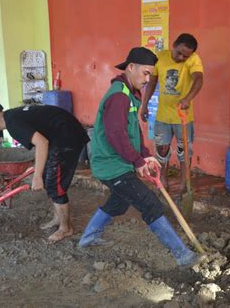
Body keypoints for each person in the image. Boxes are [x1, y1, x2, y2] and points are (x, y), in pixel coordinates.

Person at [79, 47, 202, 268]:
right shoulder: (119, 96)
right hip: (111, 165)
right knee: (150, 204)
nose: (148, 79)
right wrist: (137, 162)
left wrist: (145, 155)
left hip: (118, 162)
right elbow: (115, 134)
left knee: (118, 202)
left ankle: (88, 238)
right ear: (131, 67)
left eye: (150, 74)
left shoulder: (128, 94)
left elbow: (132, 130)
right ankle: (183, 255)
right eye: (145, 73)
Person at [0, 101, 89, 242]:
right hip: (61, 135)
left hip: (67, 138)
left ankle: (66, 229)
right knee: (49, 179)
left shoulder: (13, 124)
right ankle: (58, 218)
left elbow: (41, 143)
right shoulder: (11, 117)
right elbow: (41, 141)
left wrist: (37, 175)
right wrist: (39, 168)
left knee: (55, 186)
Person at [141, 33, 204, 192]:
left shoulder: (194, 59)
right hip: (163, 116)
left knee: (185, 152)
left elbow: (198, 79)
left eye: (185, 56)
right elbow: (152, 83)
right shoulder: (161, 57)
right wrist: (144, 105)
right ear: (174, 45)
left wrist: (188, 99)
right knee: (162, 150)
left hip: (184, 117)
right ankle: (162, 180)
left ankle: (184, 183)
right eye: (179, 53)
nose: (181, 57)